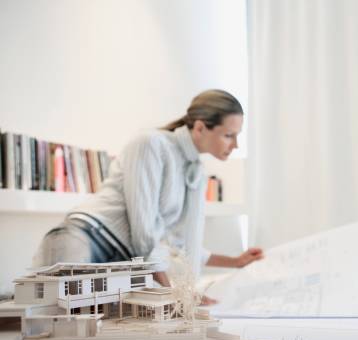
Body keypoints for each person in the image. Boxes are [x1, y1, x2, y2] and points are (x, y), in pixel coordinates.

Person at [32, 89, 264, 292]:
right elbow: (144, 231)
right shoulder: (152, 144)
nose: (235, 145)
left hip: (123, 259)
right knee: (50, 318)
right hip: (88, 237)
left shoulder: (194, 172)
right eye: (228, 135)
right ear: (201, 127)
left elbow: (180, 245)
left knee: (87, 334)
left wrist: (235, 262)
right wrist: (176, 295)